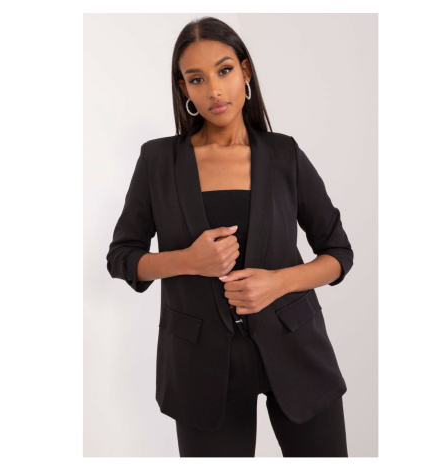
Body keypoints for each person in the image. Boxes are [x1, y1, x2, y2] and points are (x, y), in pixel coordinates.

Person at [106, 16, 353, 457]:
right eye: (197, 79)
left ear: (245, 72)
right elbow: (121, 256)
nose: (214, 90)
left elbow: (338, 252)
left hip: (297, 354)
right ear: (184, 89)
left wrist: (277, 282)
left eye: (224, 71)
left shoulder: (284, 154)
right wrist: (187, 260)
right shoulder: (158, 161)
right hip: (200, 369)